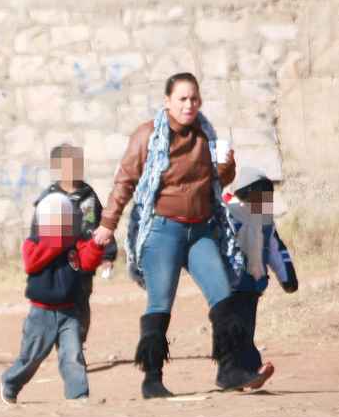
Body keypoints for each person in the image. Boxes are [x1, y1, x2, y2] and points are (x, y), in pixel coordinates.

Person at [94, 72, 269, 398]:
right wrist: (107, 223)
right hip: (162, 231)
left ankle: (231, 370)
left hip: (200, 229)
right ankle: (152, 380)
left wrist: (227, 166)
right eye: (182, 99)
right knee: (160, 304)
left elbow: (217, 181)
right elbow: (125, 182)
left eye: (194, 99)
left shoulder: (205, 134)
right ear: (167, 101)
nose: (189, 105)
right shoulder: (146, 135)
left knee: (223, 296)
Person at [1, 191, 106, 404]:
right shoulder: (33, 243)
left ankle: (78, 395)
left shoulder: (74, 243)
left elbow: (87, 262)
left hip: (69, 311)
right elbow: (31, 263)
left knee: (73, 355)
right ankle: (10, 382)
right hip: (42, 313)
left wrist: (96, 244)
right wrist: (59, 241)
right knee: (32, 356)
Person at [31, 145, 114, 344]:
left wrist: (107, 254)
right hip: (59, 263)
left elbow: (101, 225)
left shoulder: (89, 195)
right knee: (61, 302)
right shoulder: (49, 197)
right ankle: (65, 344)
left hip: (84, 262)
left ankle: (76, 341)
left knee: (82, 299)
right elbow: (37, 230)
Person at [224, 167, 298, 375]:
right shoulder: (227, 217)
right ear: (244, 195)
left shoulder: (265, 222)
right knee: (243, 328)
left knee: (245, 329)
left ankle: (231, 372)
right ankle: (252, 368)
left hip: (254, 286)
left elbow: (275, 250)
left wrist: (287, 278)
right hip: (232, 285)